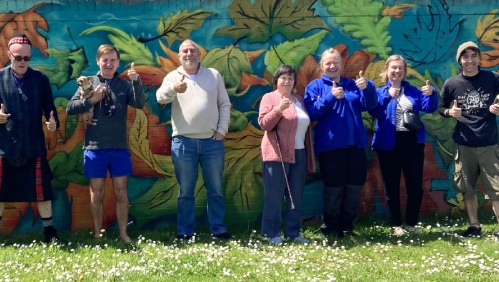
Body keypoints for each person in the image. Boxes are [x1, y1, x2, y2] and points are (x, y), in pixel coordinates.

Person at [66, 44, 144, 243]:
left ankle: (123, 234)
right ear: (98, 61)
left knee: (121, 192)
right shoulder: (89, 82)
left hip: (118, 148)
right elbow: (71, 108)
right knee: (96, 193)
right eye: (105, 60)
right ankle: (98, 234)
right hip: (94, 148)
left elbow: (139, 103)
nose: (108, 64)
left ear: (118, 63)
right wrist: (93, 100)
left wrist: (136, 82)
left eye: (113, 60)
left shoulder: (124, 85)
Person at [156, 39, 231, 241]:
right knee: (186, 191)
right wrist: (174, 89)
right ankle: (185, 232)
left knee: (215, 189)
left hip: (212, 142)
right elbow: (160, 98)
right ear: (179, 56)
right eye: (184, 51)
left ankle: (218, 229)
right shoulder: (173, 76)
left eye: (192, 50)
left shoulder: (213, 75)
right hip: (183, 143)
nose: (189, 54)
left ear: (199, 54)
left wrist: (221, 131)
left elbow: (224, 104)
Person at [304, 48, 376, 237]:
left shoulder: (352, 85)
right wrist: (329, 97)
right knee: (333, 189)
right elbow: (311, 113)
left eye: (335, 62)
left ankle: (347, 226)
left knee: (354, 187)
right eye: (328, 63)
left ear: (341, 65)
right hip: (331, 147)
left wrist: (367, 87)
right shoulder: (315, 86)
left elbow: (369, 105)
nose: (332, 66)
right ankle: (330, 227)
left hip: (356, 147)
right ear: (322, 66)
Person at [368, 55, 438, 236]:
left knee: (415, 185)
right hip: (388, 143)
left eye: (400, 68)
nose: (397, 71)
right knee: (391, 186)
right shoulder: (379, 92)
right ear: (386, 71)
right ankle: (396, 225)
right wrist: (386, 96)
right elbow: (374, 111)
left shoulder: (413, 91)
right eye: (393, 68)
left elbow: (428, 107)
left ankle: (412, 224)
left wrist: (431, 94)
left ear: (404, 72)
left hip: (412, 143)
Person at [0, 33, 59, 243]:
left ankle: (50, 234)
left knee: (43, 193)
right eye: (18, 58)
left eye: (27, 58)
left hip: (34, 146)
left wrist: (53, 123)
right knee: (0, 193)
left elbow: (50, 109)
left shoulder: (40, 78)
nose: (23, 62)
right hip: (6, 147)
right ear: (9, 55)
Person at [439, 41, 499, 237]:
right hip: (464, 144)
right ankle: (474, 226)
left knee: (496, 190)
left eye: (474, 56)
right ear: (460, 60)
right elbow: (440, 108)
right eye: (466, 57)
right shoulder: (451, 84)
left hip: (489, 144)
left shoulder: (492, 78)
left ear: (479, 58)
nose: (470, 60)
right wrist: (450, 112)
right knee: (468, 188)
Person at [258, 65, 316, 244]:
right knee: (274, 196)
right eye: (283, 78)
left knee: (295, 195)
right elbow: (264, 124)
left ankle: (293, 232)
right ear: (276, 81)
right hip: (277, 155)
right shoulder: (270, 98)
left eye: (290, 78)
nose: (287, 81)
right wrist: (278, 110)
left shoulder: (299, 99)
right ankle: (271, 233)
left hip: (299, 153)